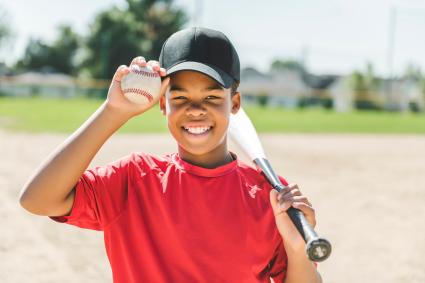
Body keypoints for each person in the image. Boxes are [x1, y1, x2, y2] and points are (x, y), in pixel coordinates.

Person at [19, 27, 322, 283]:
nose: (195, 108)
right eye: (180, 97)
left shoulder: (270, 195)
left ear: (235, 102)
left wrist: (297, 250)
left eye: (212, 96)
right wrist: (113, 113)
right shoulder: (134, 179)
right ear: (163, 105)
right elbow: (37, 199)